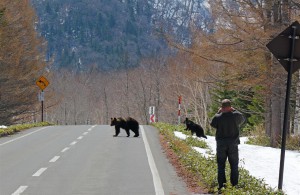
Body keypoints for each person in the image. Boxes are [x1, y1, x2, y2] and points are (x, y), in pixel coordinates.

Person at [210, 99, 245, 191]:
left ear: (222, 107)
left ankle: (222, 186)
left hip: (221, 145)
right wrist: (234, 110)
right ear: (230, 107)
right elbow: (242, 118)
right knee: (234, 165)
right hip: (233, 144)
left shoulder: (218, 117)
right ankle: (234, 186)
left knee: (221, 165)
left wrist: (218, 112)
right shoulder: (236, 116)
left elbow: (212, 124)